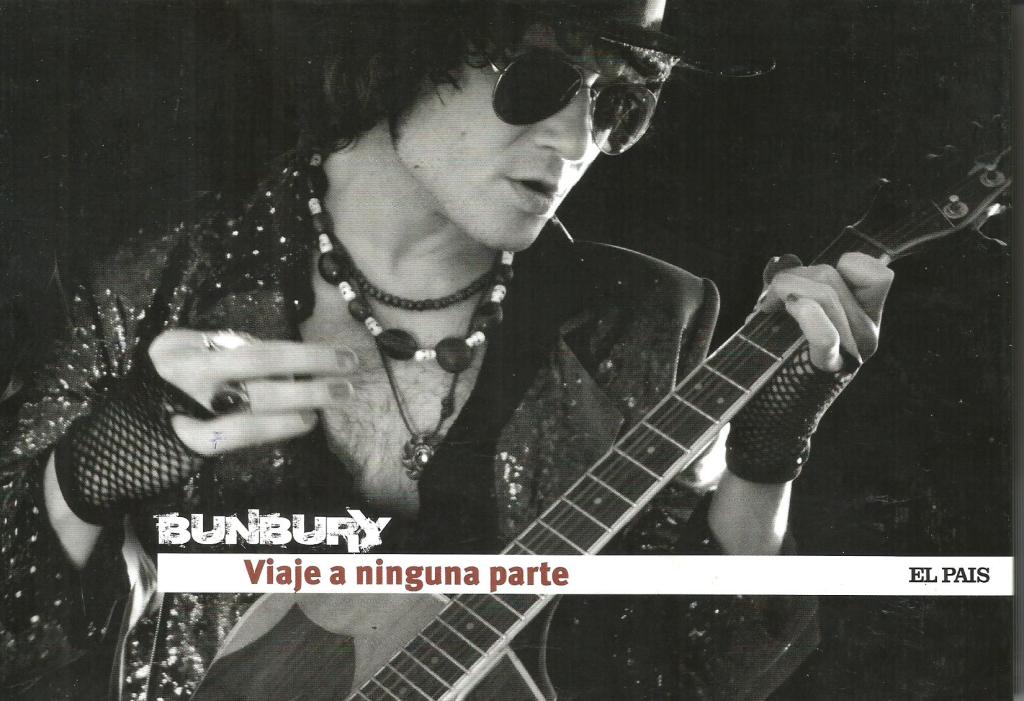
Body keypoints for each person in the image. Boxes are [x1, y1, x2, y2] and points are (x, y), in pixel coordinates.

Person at [0, 1, 894, 699]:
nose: (576, 140)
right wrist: (90, 471)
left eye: (616, 101)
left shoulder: (650, 320)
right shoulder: (151, 284)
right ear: (411, 44)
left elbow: (687, 669)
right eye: (539, 78)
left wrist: (765, 459)